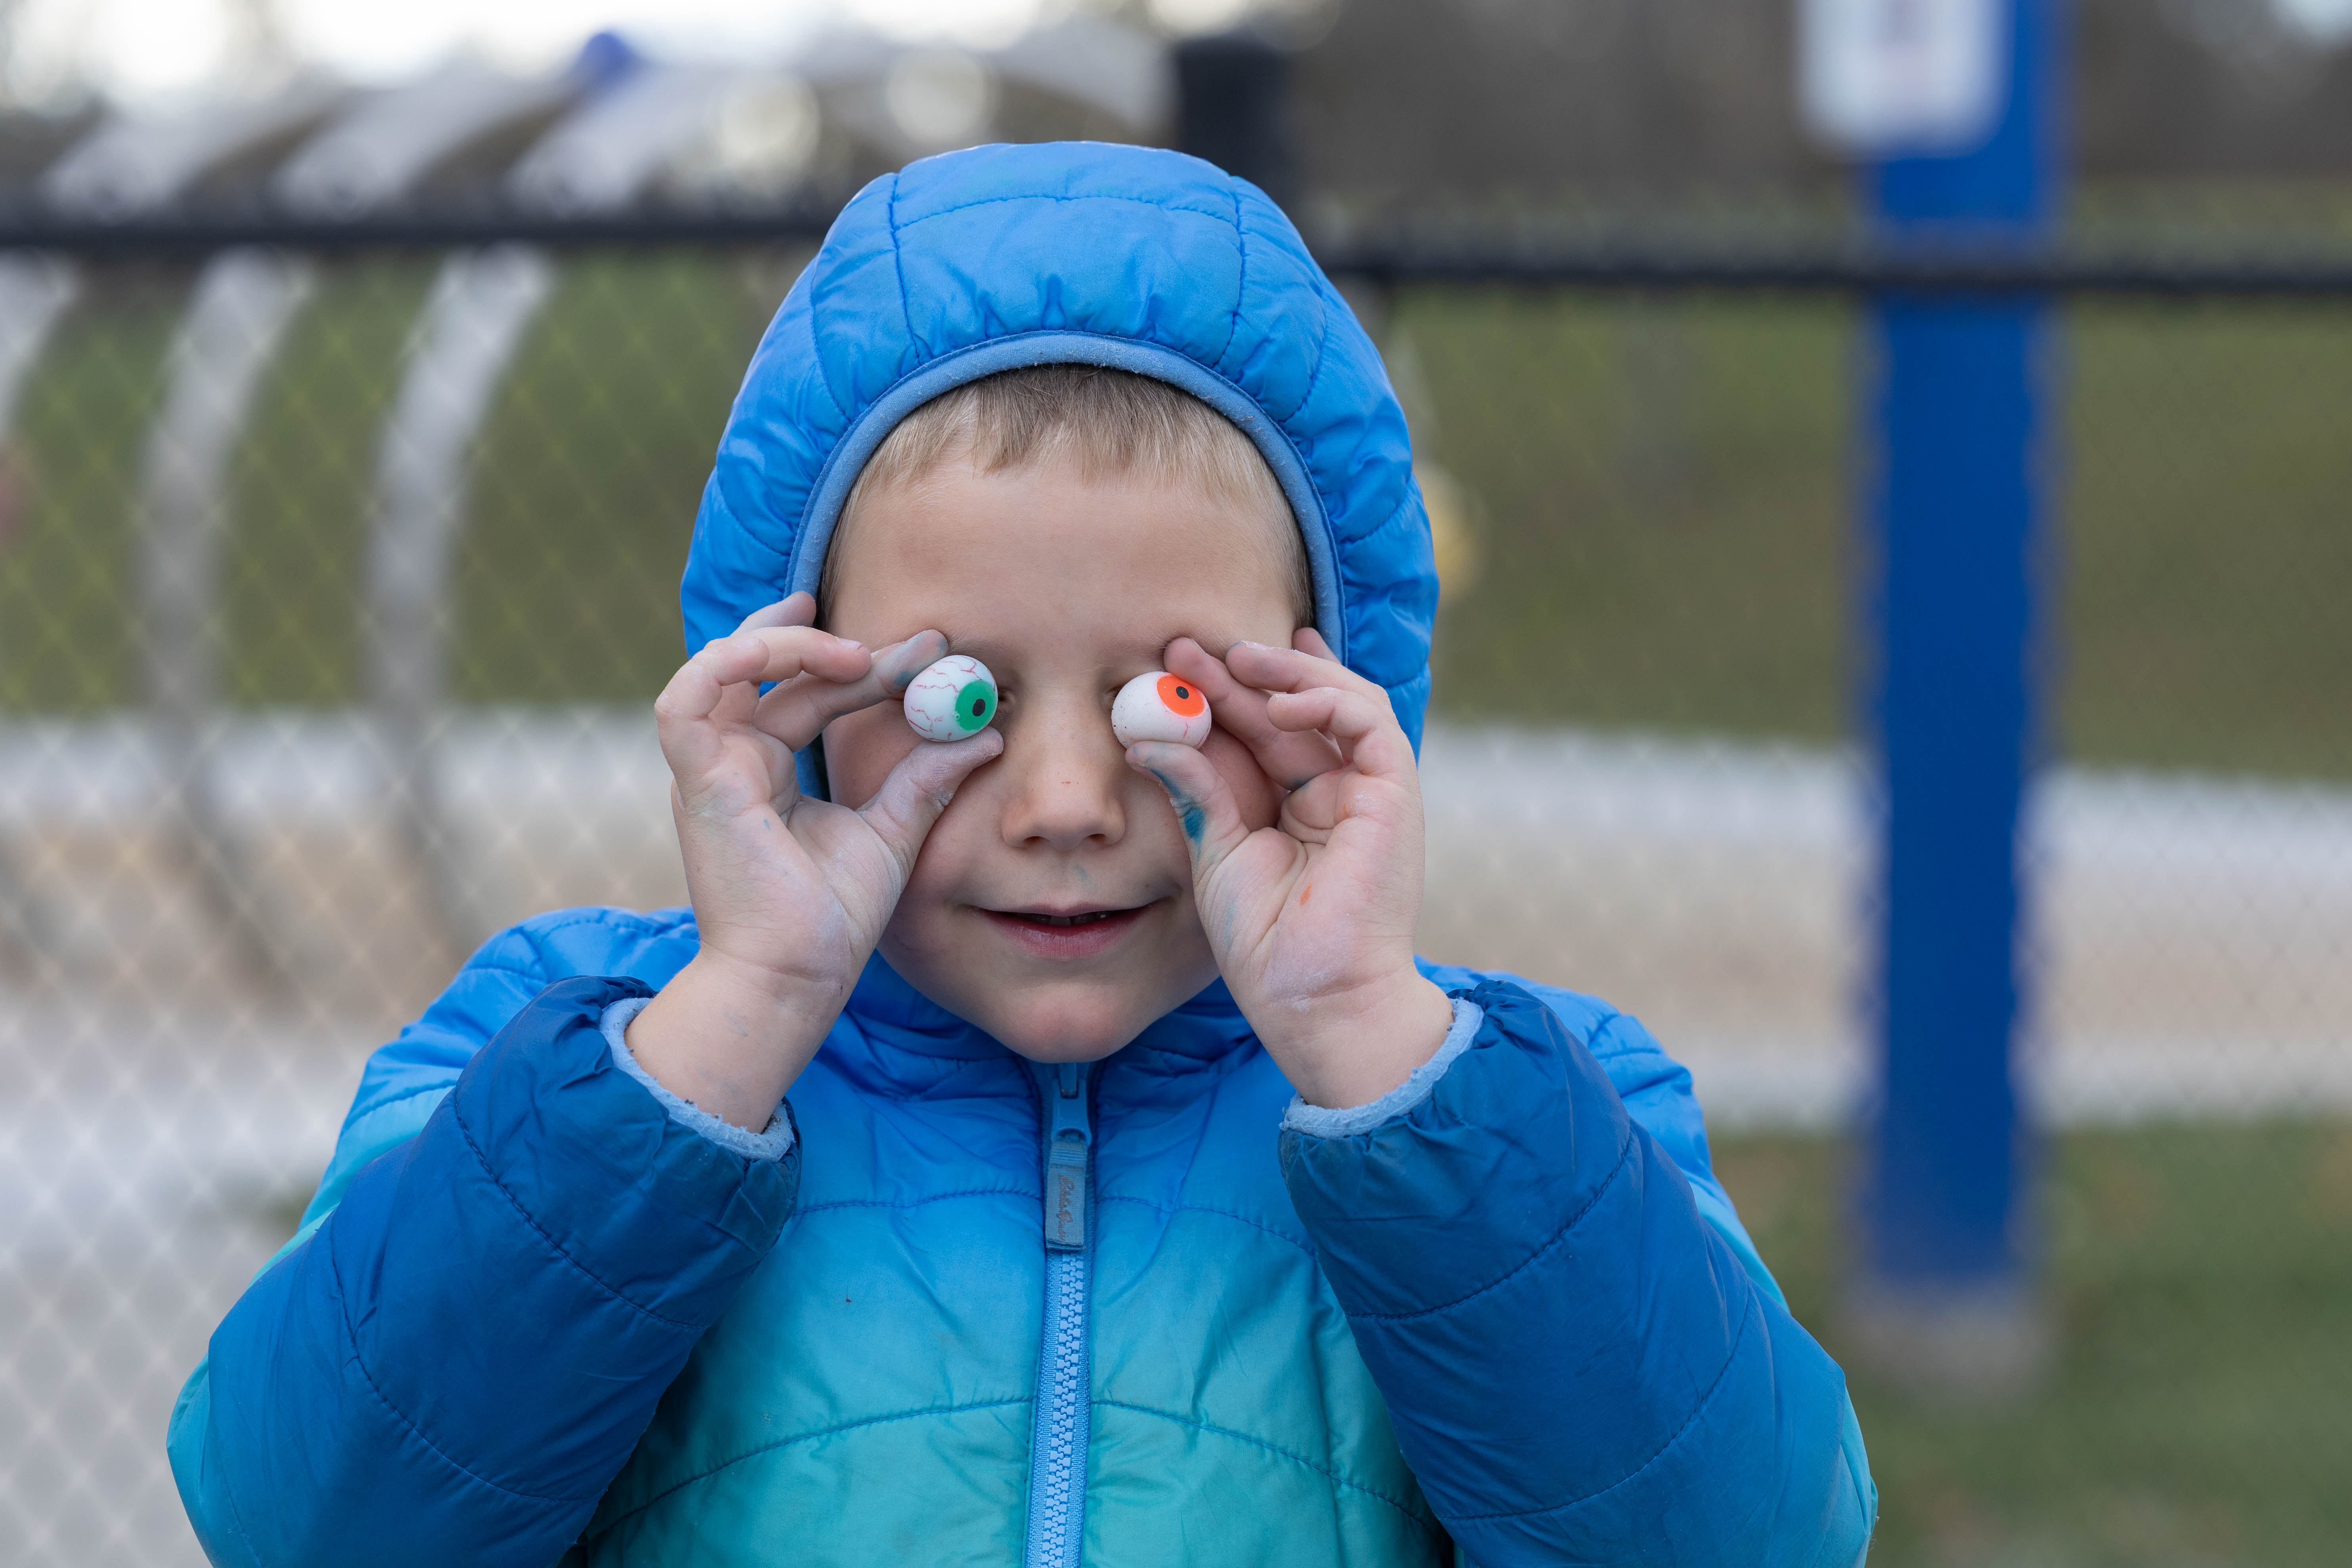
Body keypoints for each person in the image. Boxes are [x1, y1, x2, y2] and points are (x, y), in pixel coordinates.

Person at [168, 141, 1875, 1567]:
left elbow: (1749, 1538)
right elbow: (308, 1516)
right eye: (953, 689)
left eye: (1171, 690)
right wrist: (730, 1023)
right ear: (796, 675)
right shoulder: (575, 1054)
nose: (1066, 797)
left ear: (1327, 679)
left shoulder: (1512, 1107)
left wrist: (1373, 1051)